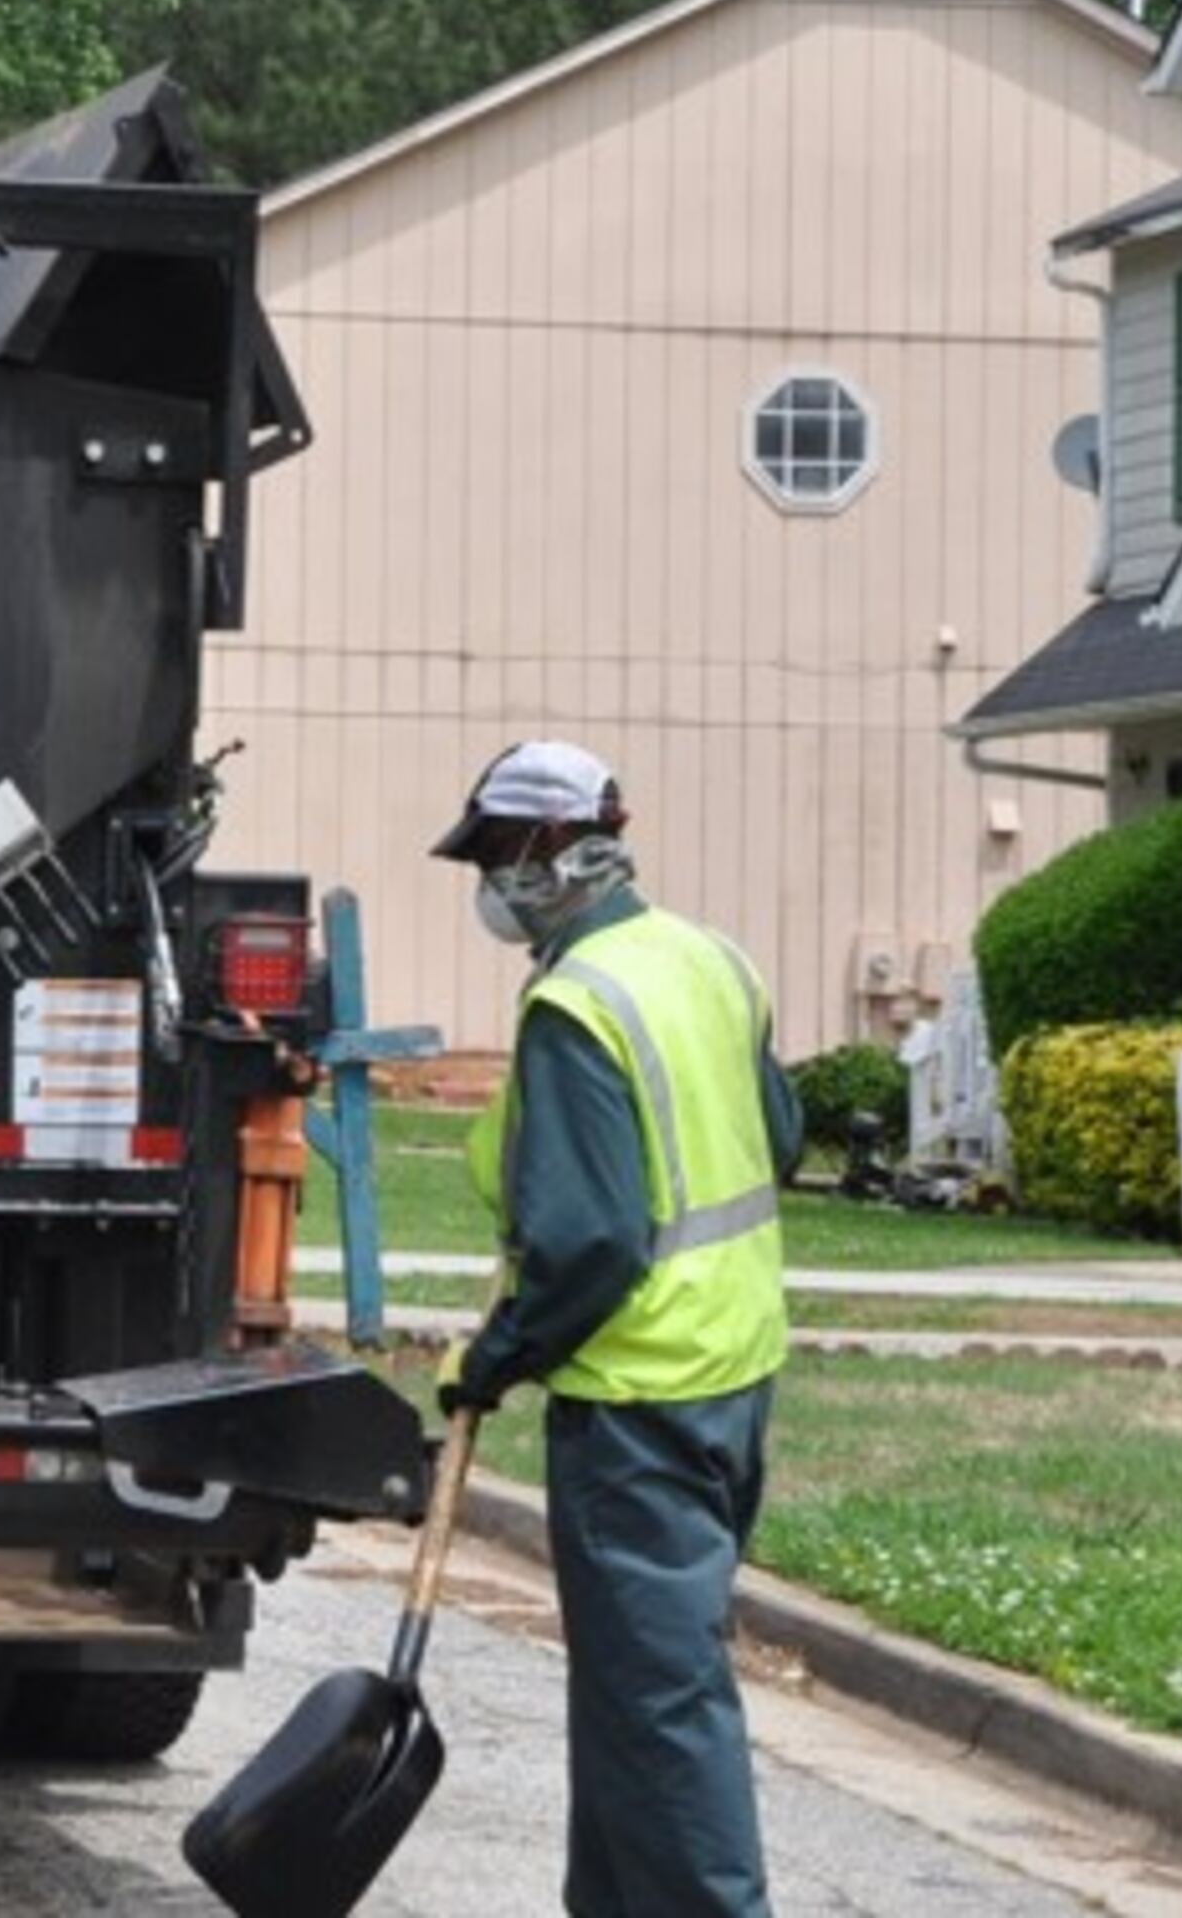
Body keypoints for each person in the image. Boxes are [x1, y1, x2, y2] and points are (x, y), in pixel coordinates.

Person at [428, 740, 798, 1918]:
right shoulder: (709, 960)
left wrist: (493, 1361)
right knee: (635, 1697)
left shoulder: (578, 1003)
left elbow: (589, 1243)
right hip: (734, 1379)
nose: (488, 881)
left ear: (553, 845)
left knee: (661, 1704)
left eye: (494, 852)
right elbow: (779, 1139)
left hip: (640, 1401)